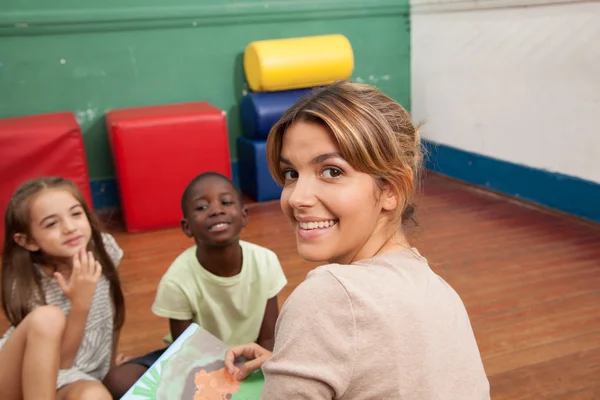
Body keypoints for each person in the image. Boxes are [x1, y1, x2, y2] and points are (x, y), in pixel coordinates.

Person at [224, 81, 491, 399]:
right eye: (292, 174)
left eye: (332, 172)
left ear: (391, 189)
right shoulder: (440, 290)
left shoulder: (329, 298)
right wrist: (295, 367)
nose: (297, 198)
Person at [103, 172, 288, 398]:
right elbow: (185, 352)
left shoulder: (265, 260)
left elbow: (268, 339)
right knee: (118, 379)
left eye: (226, 202)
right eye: (201, 207)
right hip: (195, 360)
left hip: (249, 357)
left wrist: (255, 373)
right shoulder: (177, 279)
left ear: (243, 216)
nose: (216, 210)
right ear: (187, 226)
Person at [0, 177, 126, 400]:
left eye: (76, 214)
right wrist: (80, 302)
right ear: (28, 241)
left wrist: (110, 362)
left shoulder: (104, 248)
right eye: (51, 223)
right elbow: (62, 364)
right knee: (48, 318)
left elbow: (113, 309)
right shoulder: (29, 283)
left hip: (75, 377)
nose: (69, 228)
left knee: (94, 395)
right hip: (19, 378)